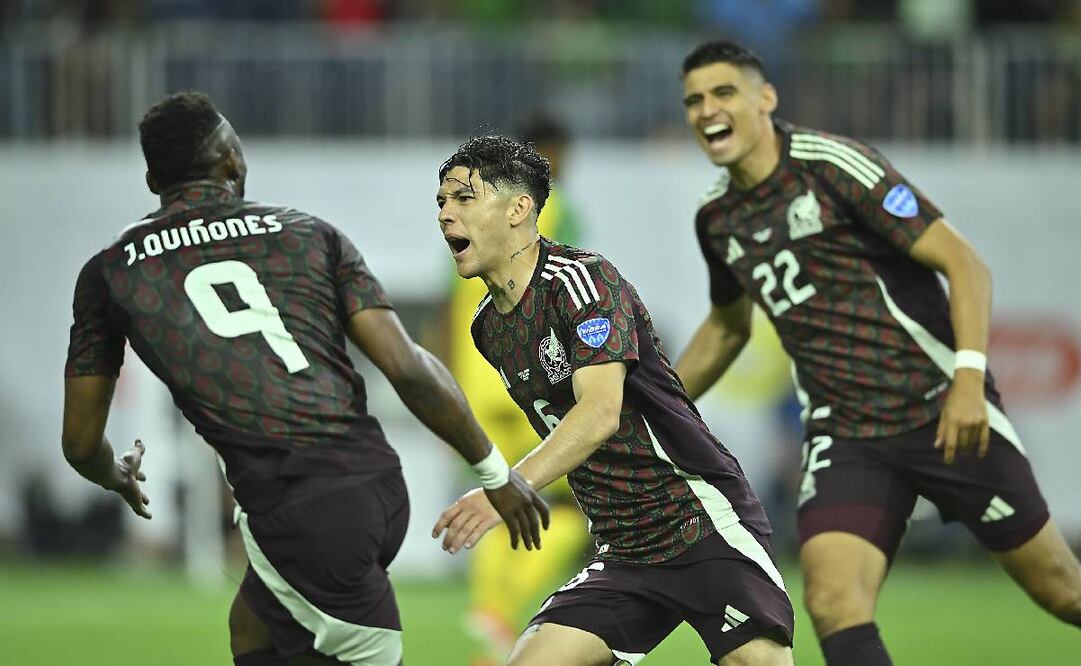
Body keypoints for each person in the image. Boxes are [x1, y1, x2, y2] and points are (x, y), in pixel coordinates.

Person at [61, 91, 549, 666]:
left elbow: (79, 442)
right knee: (253, 628)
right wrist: (495, 471)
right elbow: (408, 367)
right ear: (232, 164)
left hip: (299, 512)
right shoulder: (308, 234)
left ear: (152, 179)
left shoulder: (111, 273)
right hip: (370, 482)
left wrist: (115, 475)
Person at [676, 40, 1081, 665]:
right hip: (848, 434)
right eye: (694, 101)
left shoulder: (834, 166)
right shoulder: (716, 217)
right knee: (835, 602)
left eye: (723, 93)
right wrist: (652, 406)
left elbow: (965, 266)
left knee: (1061, 590)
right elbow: (727, 328)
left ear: (766, 98)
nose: (707, 110)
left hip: (940, 410)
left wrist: (968, 382)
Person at [430, 135, 795, 666]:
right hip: (623, 546)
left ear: (519, 209)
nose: (445, 214)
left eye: (464, 198)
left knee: (755, 662)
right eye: (441, 202)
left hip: (696, 520)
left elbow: (600, 413)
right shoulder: (489, 328)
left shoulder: (583, 281)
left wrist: (505, 488)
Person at [449, 115, 589, 665]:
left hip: (475, 377)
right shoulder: (555, 211)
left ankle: (489, 613)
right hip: (535, 376)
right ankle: (504, 613)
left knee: (496, 495)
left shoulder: (470, 219)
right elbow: (568, 292)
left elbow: (449, 298)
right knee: (567, 509)